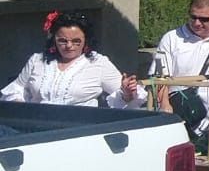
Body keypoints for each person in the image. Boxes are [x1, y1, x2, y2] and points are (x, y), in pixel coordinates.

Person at [2, 12, 144, 108]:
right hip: (38, 126)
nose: (69, 46)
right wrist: (20, 105)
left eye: (76, 41)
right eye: (62, 41)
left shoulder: (98, 63)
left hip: (79, 130)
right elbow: (16, 88)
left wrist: (127, 93)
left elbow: (126, 98)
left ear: (86, 41)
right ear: (54, 40)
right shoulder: (37, 60)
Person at [152, 0, 209, 131]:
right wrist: (164, 105)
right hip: (182, 116)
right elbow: (159, 76)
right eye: (193, 17)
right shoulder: (171, 38)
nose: (197, 23)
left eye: (204, 19)